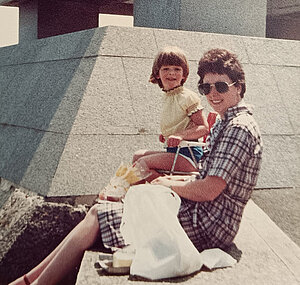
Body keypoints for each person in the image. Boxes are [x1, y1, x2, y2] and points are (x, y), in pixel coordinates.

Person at [10, 48, 262, 285]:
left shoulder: (238, 129)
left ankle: (32, 282)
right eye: (206, 87)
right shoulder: (226, 120)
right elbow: (206, 179)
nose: (212, 94)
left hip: (209, 223)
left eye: (220, 86)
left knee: (99, 214)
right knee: (111, 206)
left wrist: (166, 184)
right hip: (205, 212)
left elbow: (209, 190)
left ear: (238, 87)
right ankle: (29, 280)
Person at [132, 46, 209, 180]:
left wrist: (179, 135)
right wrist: (167, 135)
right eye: (166, 69)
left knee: (142, 164)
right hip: (174, 152)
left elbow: (203, 128)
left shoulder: (188, 97)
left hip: (189, 155)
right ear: (157, 74)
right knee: (137, 156)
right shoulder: (168, 96)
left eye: (177, 69)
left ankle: (166, 185)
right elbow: (179, 122)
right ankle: (165, 185)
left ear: (184, 74)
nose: (171, 73)